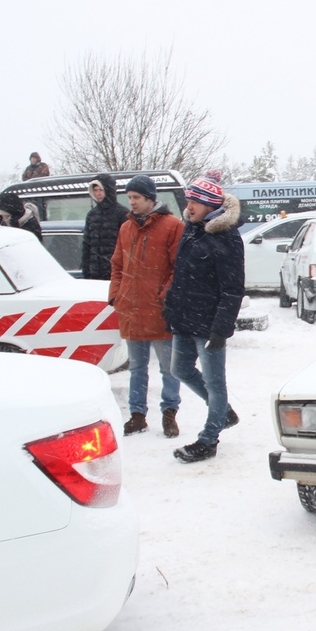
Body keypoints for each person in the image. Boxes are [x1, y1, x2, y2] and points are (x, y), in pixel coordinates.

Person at [163, 169, 245, 463]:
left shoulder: (228, 238)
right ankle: (222, 412)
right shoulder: (192, 228)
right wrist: (170, 306)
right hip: (184, 319)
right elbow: (181, 275)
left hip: (209, 325)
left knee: (215, 383)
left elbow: (233, 289)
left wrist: (221, 330)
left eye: (194, 202)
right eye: (187, 201)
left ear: (211, 205)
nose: (189, 207)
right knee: (180, 370)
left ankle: (209, 439)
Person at [110, 174, 186, 438]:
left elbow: (178, 268)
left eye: (136, 198)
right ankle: (137, 415)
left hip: (160, 311)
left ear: (150, 198)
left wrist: (164, 297)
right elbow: (117, 265)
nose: (131, 203)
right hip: (131, 309)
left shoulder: (172, 225)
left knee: (169, 368)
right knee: (137, 368)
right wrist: (116, 295)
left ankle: (169, 414)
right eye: (129, 198)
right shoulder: (125, 228)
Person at [82, 173, 129, 281]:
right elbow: (87, 245)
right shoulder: (92, 215)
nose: (98, 193)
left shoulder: (122, 213)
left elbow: (127, 246)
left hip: (115, 274)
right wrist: (86, 269)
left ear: (108, 190)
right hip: (94, 274)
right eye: (95, 190)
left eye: (101, 190)